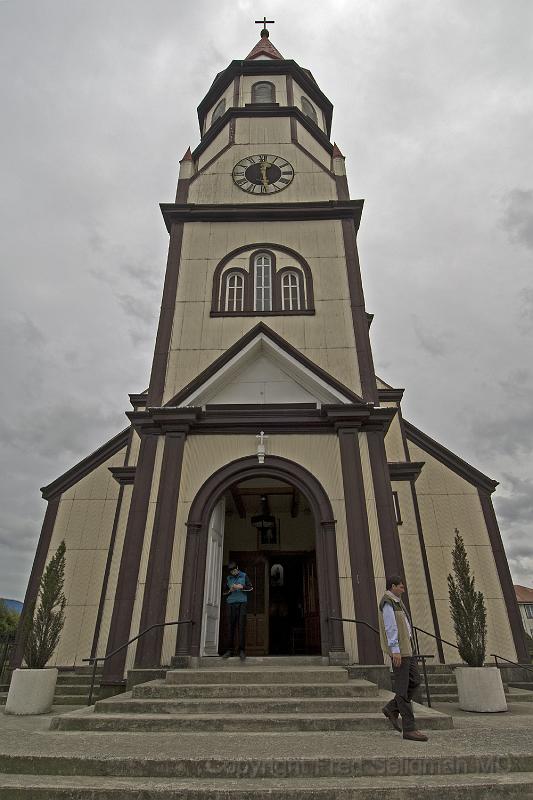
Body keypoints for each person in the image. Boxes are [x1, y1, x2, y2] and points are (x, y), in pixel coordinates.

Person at [378, 574, 428, 742]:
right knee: (402, 688)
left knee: (415, 681)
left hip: (408, 650)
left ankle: (391, 708)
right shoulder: (388, 603)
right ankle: (409, 729)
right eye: (400, 586)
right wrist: (395, 649)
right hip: (400, 651)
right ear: (392, 586)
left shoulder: (398, 602)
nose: (403, 589)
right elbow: (390, 627)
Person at [221, 561, 252, 661]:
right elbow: (224, 592)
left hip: (242, 603)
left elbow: (250, 588)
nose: (233, 573)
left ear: (238, 568)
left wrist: (241, 587)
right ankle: (229, 650)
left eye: (235, 571)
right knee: (230, 627)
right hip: (230, 604)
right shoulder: (228, 578)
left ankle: (241, 650)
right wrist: (230, 590)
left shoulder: (244, 575)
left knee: (241, 626)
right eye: (232, 572)